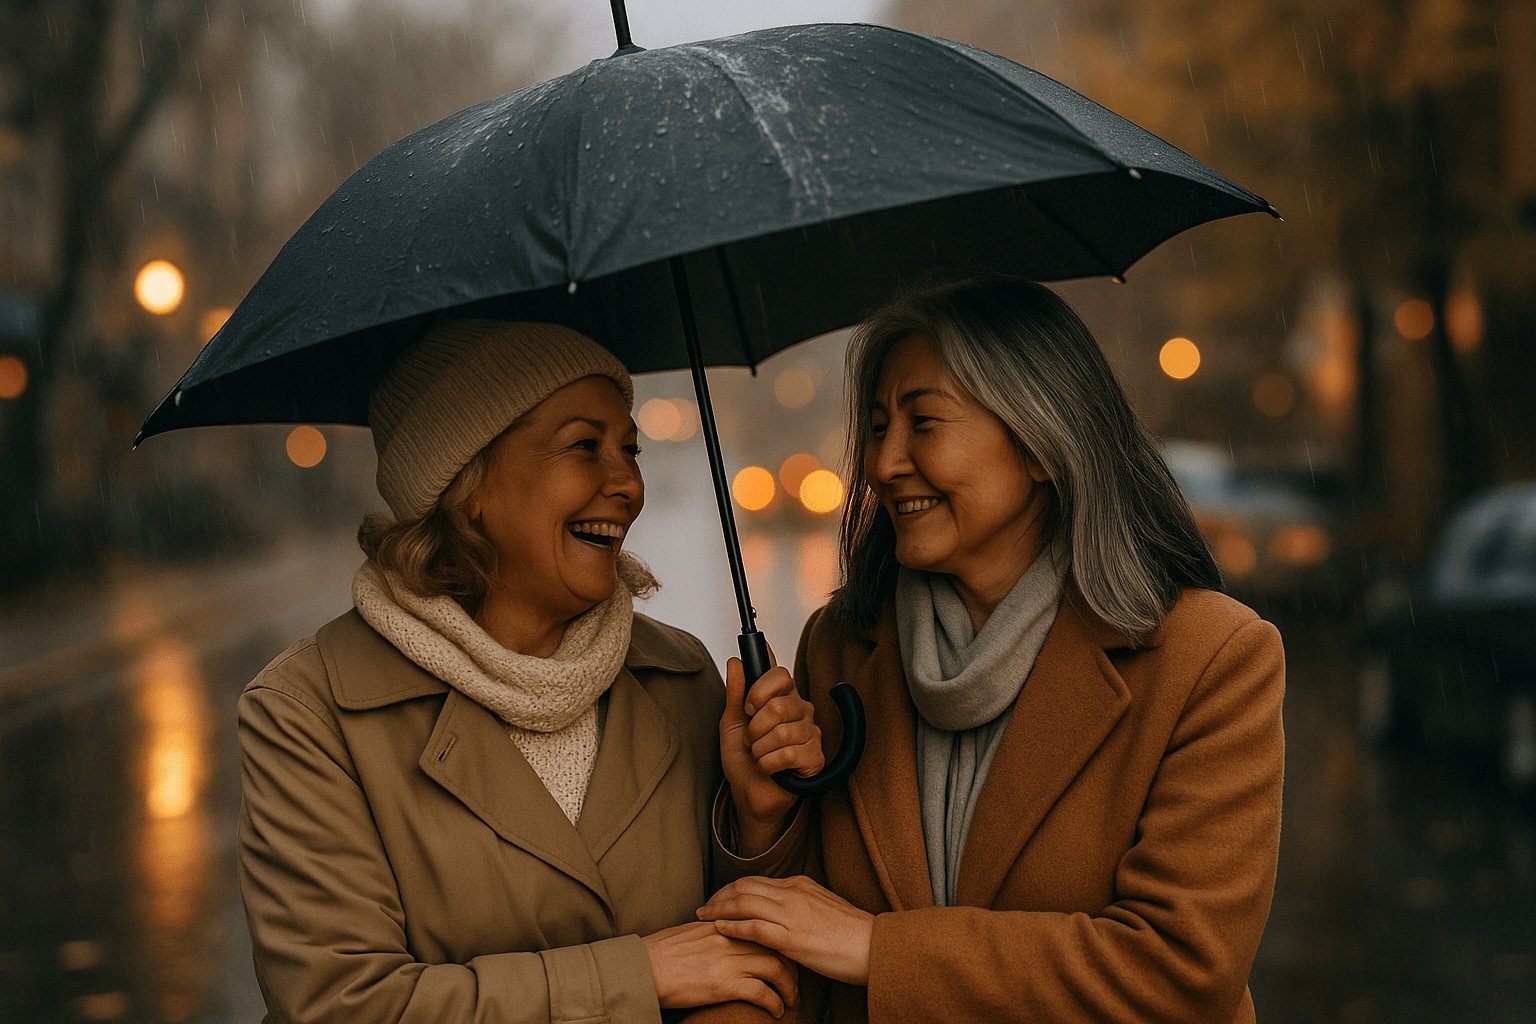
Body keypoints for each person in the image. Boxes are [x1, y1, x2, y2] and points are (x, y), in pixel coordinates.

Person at [698, 278, 1287, 1023]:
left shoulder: (1212, 660)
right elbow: (788, 954)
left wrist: (884, 952)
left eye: (924, 423)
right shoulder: (842, 648)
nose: (884, 463)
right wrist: (766, 818)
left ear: (1040, 444)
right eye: (877, 426)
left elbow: (1180, 972)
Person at [237, 319, 821, 1024]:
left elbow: (752, 963)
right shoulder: (310, 712)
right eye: (585, 447)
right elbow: (340, 1006)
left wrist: (759, 823)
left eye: (629, 448)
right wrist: (635, 977)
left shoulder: (681, 679)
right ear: (466, 484)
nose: (628, 484)